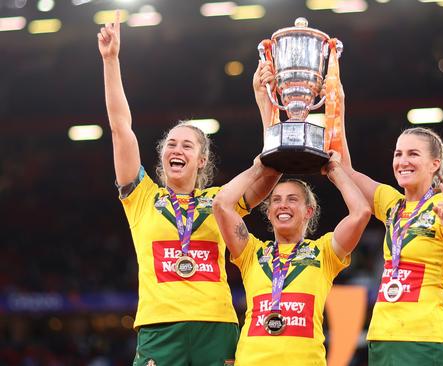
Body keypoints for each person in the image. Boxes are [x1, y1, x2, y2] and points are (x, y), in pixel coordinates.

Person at [98, 11, 280, 365]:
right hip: (159, 328)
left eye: (186, 145)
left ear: (201, 161)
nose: (175, 149)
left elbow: (269, 170)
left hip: (216, 327)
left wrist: (264, 103)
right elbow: (121, 128)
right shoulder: (141, 197)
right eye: (170, 143)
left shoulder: (221, 201)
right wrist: (111, 61)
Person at [340, 120, 443, 364]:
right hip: (382, 339)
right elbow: (344, 170)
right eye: (398, 154)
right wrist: (337, 102)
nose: (403, 161)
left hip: (426, 342)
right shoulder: (391, 206)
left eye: (413, 154)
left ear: (435, 164)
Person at [211, 152, 371, 366]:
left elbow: (361, 212)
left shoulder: (324, 252)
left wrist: (335, 171)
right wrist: (258, 168)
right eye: (276, 200)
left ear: (308, 211)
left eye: (292, 199)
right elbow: (221, 204)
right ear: (269, 213)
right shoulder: (251, 251)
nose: (282, 205)